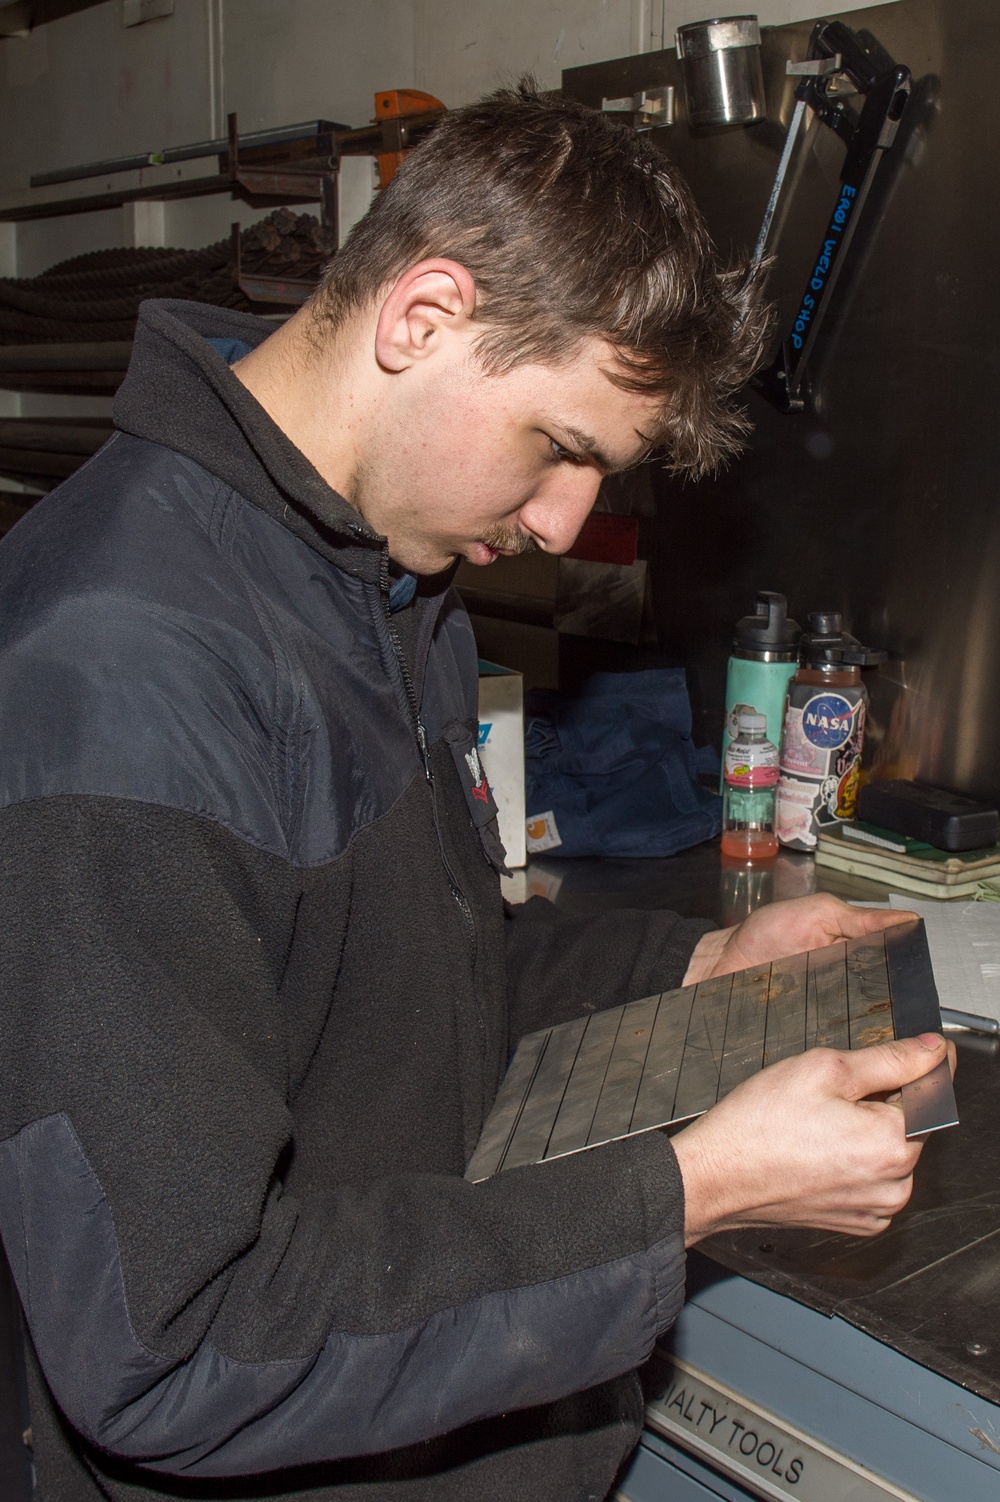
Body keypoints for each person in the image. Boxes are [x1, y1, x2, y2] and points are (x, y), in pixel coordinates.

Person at [0, 83, 952, 1502]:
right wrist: (688, 1187)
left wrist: (700, 961)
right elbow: (172, 1344)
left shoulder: (385, 576)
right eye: (561, 448)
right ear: (422, 317)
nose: (563, 525)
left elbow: (424, 977)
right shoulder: (119, 683)